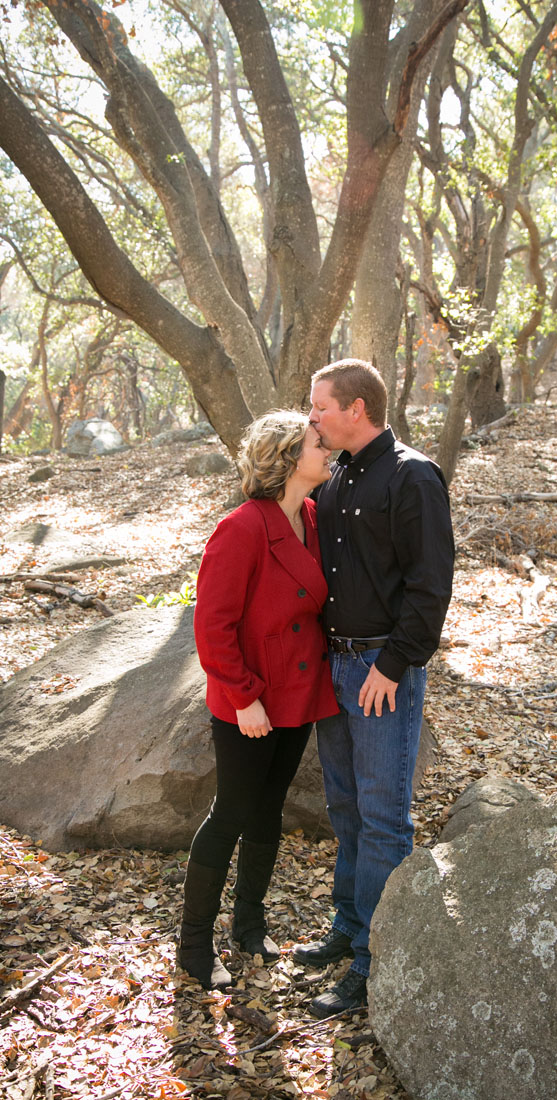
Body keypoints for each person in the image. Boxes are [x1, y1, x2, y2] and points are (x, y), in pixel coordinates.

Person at [294, 359, 454, 1018]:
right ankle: (346, 925)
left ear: (356, 408)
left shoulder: (412, 476)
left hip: (381, 673)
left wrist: (392, 666)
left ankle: (374, 957)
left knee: (385, 818)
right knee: (346, 808)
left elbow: (430, 583)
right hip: (334, 666)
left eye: (319, 407)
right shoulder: (335, 482)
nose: (313, 419)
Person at [179, 410, 338, 990]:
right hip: (249, 699)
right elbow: (212, 626)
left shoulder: (315, 517)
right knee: (232, 813)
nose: (329, 450)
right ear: (291, 457)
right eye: (319, 443)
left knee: (269, 809)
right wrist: (245, 697)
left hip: (297, 692)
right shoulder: (242, 528)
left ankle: (249, 924)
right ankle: (193, 944)